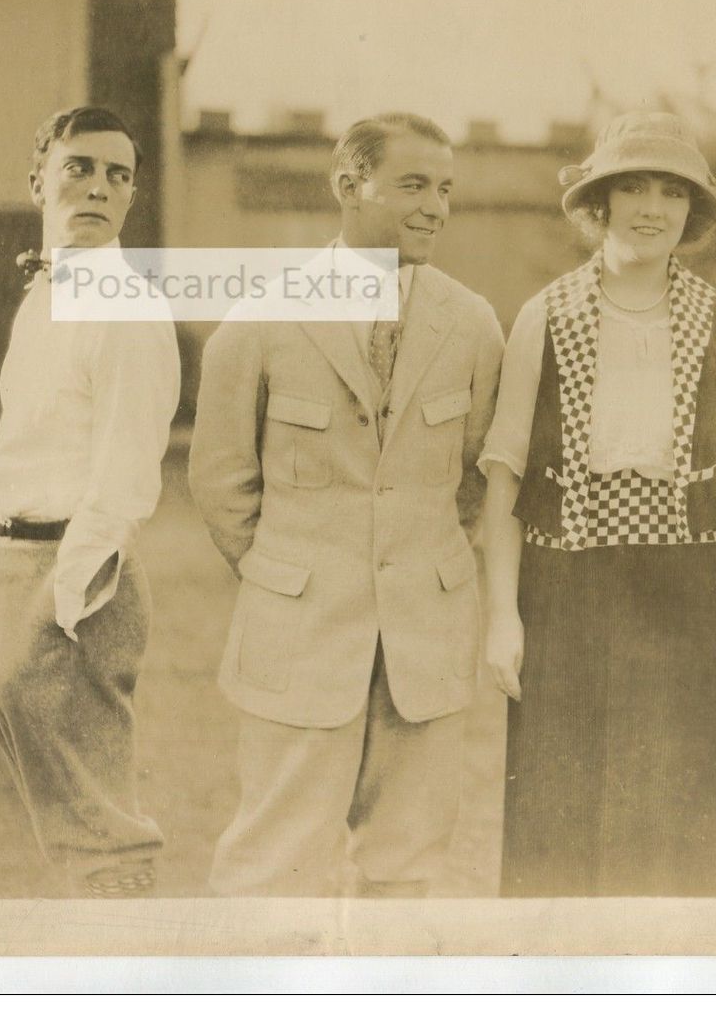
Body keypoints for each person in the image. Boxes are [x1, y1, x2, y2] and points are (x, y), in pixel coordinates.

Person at [189, 112, 505, 897]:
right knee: (271, 863)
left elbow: (477, 480)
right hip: (298, 635)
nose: (434, 205)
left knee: (407, 868)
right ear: (348, 186)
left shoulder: (470, 325)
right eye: (412, 185)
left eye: (444, 188)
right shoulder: (262, 318)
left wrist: (419, 567)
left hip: (424, 645)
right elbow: (221, 479)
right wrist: (288, 572)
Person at [481, 112, 716, 897]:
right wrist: (502, 615)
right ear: (600, 203)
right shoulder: (544, 315)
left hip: (685, 591)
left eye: (670, 191)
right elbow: (505, 482)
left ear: (690, 209)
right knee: (557, 810)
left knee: (677, 817)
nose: (651, 207)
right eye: (631, 187)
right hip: (564, 588)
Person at [0, 105, 181, 898]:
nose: (99, 186)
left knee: (99, 839)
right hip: (1, 563)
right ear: (38, 180)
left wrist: (67, 603)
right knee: (54, 817)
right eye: (80, 166)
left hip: (70, 575)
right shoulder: (47, 293)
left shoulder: (126, 307)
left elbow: (125, 480)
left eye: (118, 175)